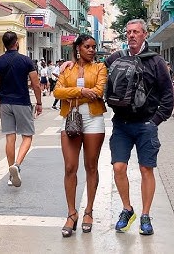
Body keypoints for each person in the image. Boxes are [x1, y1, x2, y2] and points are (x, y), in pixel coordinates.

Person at [104, 19, 173, 236]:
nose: (131, 35)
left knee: (146, 169)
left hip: (145, 126)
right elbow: (95, 69)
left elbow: (168, 95)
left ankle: (145, 215)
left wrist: (155, 121)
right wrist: (72, 63)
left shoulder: (156, 62)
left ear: (145, 34)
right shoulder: (117, 57)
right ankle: (127, 209)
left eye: (136, 32)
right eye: (128, 32)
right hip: (121, 125)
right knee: (118, 168)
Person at [53, 34, 107, 237]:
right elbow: (57, 92)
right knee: (69, 167)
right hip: (70, 119)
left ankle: (89, 211)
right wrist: (83, 91)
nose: (92, 50)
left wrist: (73, 91)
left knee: (91, 166)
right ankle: (71, 213)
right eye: (87, 46)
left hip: (94, 119)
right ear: (78, 48)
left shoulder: (100, 67)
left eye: (94, 46)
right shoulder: (67, 68)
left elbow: (99, 90)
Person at [0, 31, 43, 188]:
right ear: (16, 43)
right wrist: (39, 102)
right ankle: (17, 166)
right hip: (22, 102)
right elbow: (36, 84)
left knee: (9, 137)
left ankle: (10, 172)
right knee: (27, 136)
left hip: (5, 103)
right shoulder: (26, 61)